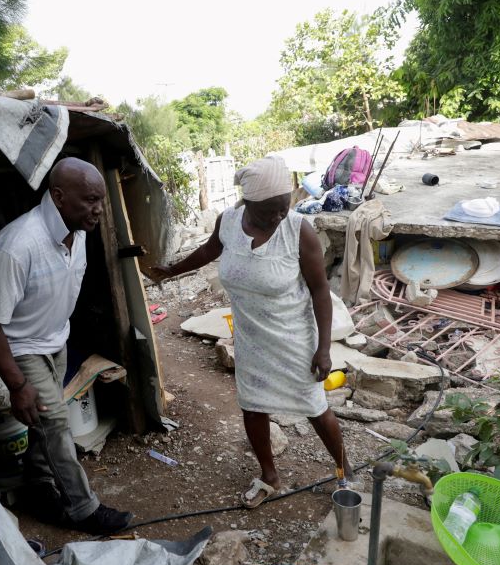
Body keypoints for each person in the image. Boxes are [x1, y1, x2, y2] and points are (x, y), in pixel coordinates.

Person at [151, 155, 354, 507]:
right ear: (248, 203)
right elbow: (208, 251)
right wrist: (172, 270)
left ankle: (344, 472)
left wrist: (324, 349)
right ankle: (269, 476)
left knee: (315, 407)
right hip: (251, 337)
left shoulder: (297, 230)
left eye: (283, 208)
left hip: (294, 337)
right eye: (270, 212)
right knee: (253, 407)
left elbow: (320, 291)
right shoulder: (229, 222)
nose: (278, 217)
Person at [0, 157, 133, 534]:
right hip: (21, 345)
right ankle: (83, 509)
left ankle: (39, 486)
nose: (98, 210)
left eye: (101, 200)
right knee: (56, 424)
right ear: (59, 196)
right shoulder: (18, 245)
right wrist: (17, 384)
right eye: (90, 200)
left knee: (42, 426)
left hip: (55, 341)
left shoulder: (77, 232)